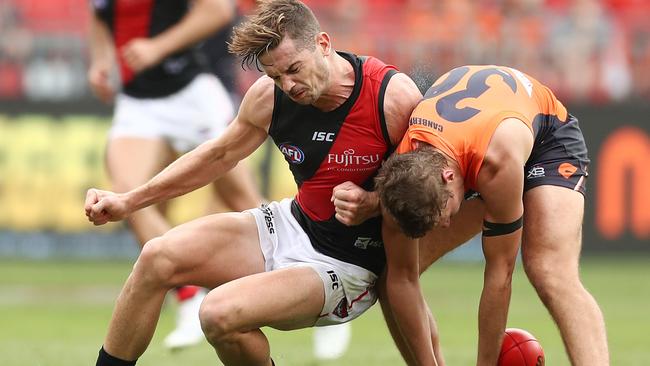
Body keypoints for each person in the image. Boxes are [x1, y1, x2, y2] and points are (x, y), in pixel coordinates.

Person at [85, 1, 422, 365]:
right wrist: (129, 201)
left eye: (294, 69)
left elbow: (431, 190)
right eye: (276, 76)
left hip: (348, 264)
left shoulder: (392, 98)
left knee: (217, 314)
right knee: (156, 256)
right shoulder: (268, 95)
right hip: (293, 224)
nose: (288, 85)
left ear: (323, 44)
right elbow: (217, 156)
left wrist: (373, 202)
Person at [374, 65, 610, 365]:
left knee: (548, 270)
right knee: (393, 274)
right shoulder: (399, 176)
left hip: (544, 139)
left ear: (448, 177)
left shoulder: (497, 162)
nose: (446, 225)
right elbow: (400, 279)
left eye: (443, 214)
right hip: (472, 142)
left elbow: (500, 274)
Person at [87, 0, 263, 350]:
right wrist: (101, 61)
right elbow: (100, 15)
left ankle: (304, 272)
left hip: (191, 92)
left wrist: (158, 46)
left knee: (242, 200)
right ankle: (187, 291)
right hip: (138, 101)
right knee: (123, 195)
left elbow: (217, 10)